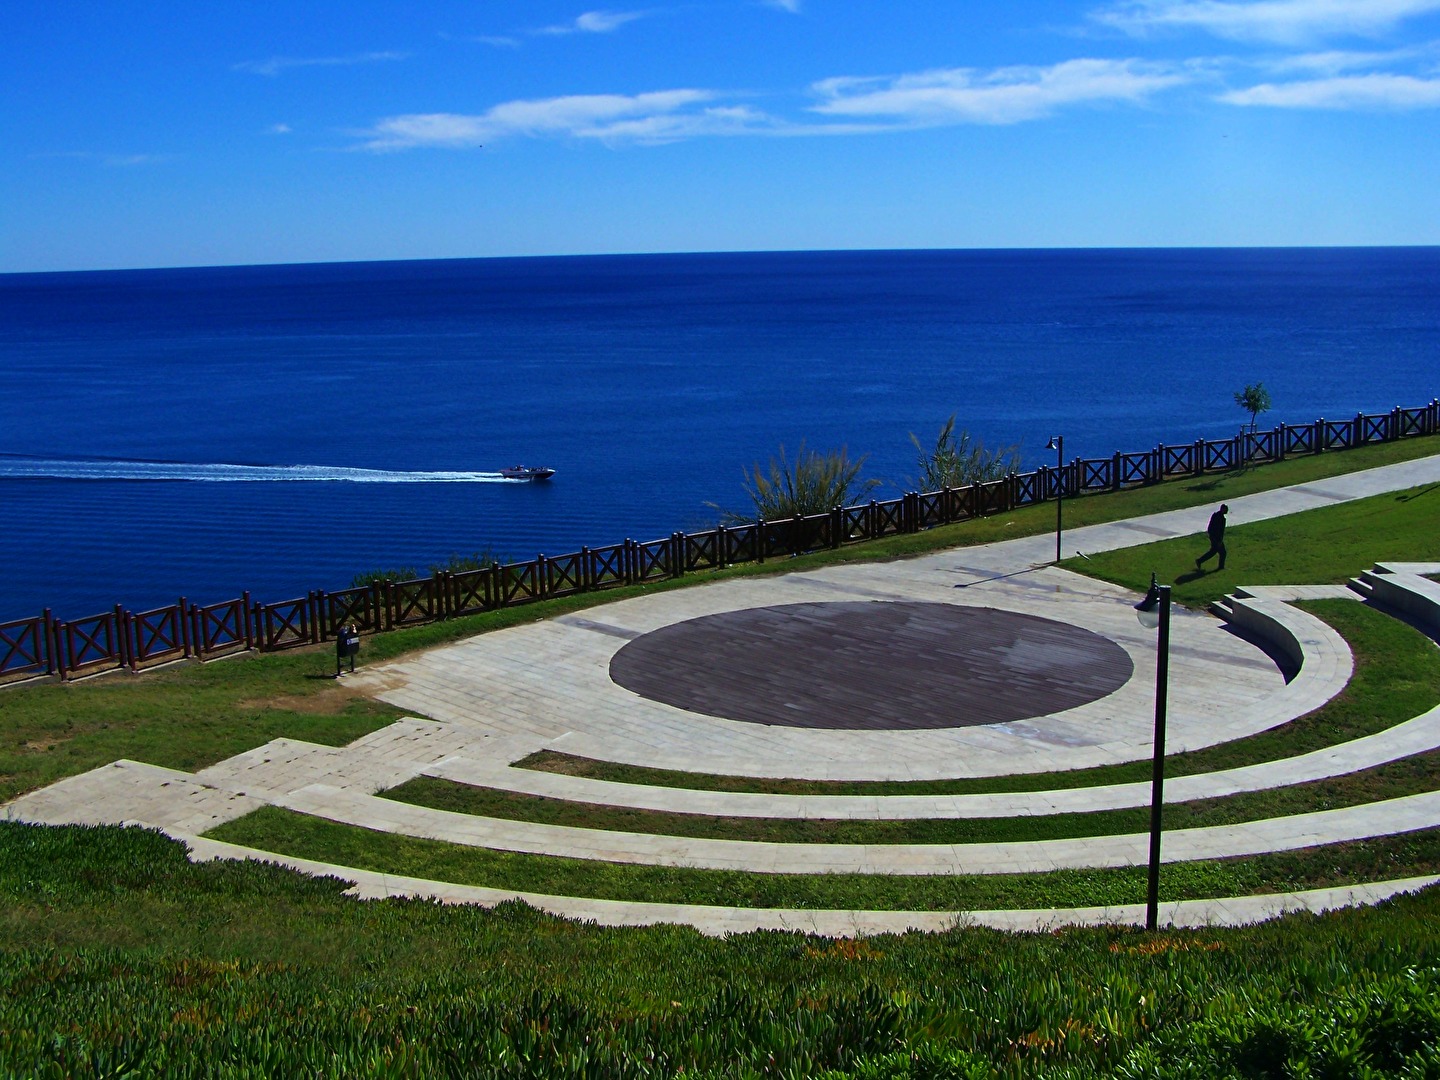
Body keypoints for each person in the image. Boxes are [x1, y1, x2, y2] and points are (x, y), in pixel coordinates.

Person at [1196, 504, 1228, 571]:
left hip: (1214, 537)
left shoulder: (1216, 516)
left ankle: (1199, 561)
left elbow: (1210, 527)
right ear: (1222, 509)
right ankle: (1221, 567)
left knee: (1213, 551)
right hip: (1217, 538)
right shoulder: (1220, 518)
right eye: (1226, 509)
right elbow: (1219, 530)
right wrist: (1218, 540)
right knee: (1223, 552)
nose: (1227, 511)